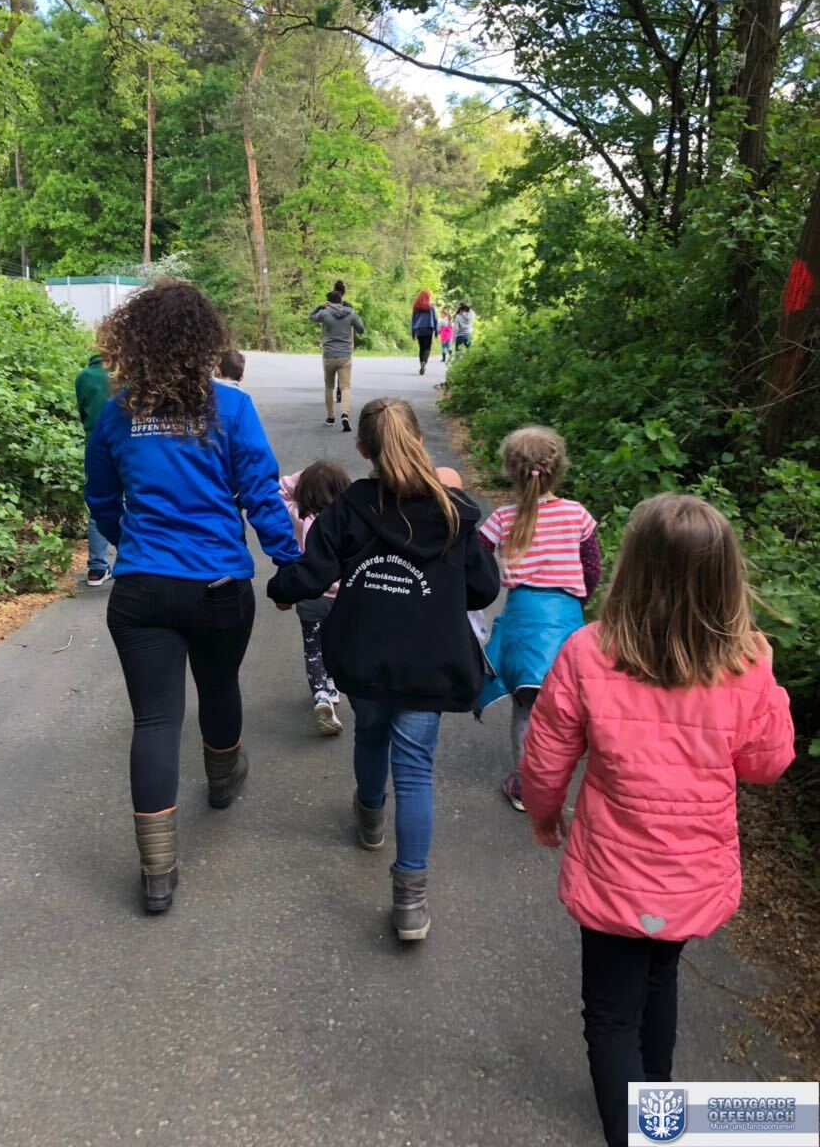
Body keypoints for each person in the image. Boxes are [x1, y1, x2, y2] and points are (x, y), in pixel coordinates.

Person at [520, 493, 795, 1147]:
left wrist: (545, 815)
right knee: (660, 977)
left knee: (611, 1017)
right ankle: (657, 1111)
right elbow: (766, 763)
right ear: (727, 578)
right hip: (692, 873)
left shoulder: (589, 651)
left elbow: (546, 756)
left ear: (632, 567)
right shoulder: (745, 661)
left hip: (614, 872)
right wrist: (768, 682)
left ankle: (640, 1129)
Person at [86, 279, 300, 915]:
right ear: (205, 339)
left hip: (141, 591)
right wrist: (290, 565)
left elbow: (102, 499)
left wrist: (133, 547)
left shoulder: (117, 414)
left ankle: (157, 872)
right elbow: (261, 493)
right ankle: (222, 780)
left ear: (135, 340)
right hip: (217, 586)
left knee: (154, 720)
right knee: (219, 684)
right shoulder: (230, 407)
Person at [268, 398, 500, 941]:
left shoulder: (351, 505)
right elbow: (484, 588)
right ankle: (410, 902)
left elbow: (313, 571)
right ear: (418, 439)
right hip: (430, 662)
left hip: (364, 653)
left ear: (362, 448)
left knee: (370, 735)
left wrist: (280, 588)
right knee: (415, 770)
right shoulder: (453, 510)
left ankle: (370, 817)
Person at [477, 427, 600, 811]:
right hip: (566, 623)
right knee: (566, 705)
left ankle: (526, 786)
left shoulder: (501, 519)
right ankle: (561, 775)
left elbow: (475, 561)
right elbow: (592, 569)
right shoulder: (577, 515)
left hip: (522, 625)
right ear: (557, 469)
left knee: (526, 705)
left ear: (510, 472)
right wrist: (577, 602)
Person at [279, 461, 352, 735]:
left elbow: (276, 491)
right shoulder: (349, 519)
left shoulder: (298, 515)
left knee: (313, 648)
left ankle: (321, 694)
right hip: (343, 598)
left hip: (310, 595)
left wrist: (301, 477)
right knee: (336, 641)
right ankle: (332, 683)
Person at [75, 350, 114, 585]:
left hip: (95, 445)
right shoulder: (127, 374)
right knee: (133, 501)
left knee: (99, 502)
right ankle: (131, 563)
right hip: (125, 444)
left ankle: (97, 568)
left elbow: (83, 412)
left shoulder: (84, 376)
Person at [310, 280, 364, 432]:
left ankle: (330, 417)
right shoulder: (350, 313)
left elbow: (311, 317)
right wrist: (354, 320)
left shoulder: (324, 313)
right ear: (341, 300)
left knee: (329, 386)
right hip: (345, 356)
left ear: (329, 302)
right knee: (345, 387)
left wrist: (320, 307)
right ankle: (345, 414)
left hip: (329, 356)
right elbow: (361, 329)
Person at [410, 290, 439, 375]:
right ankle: (424, 362)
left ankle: (422, 365)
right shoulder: (432, 306)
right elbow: (435, 319)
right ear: (428, 297)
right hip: (428, 328)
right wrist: (436, 331)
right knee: (427, 348)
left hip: (418, 329)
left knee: (421, 348)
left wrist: (412, 333)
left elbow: (413, 320)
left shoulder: (416, 307)